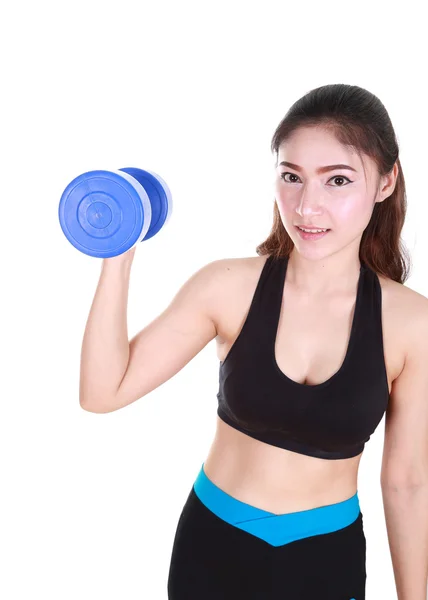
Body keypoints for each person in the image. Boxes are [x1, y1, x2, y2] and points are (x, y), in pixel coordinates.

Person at [79, 84, 428, 599]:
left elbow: (406, 482)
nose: (307, 206)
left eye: (337, 180)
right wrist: (118, 252)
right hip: (214, 549)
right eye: (292, 177)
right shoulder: (228, 287)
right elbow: (102, 393)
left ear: (385, 181)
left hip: (325, 560)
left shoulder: (412, 324)